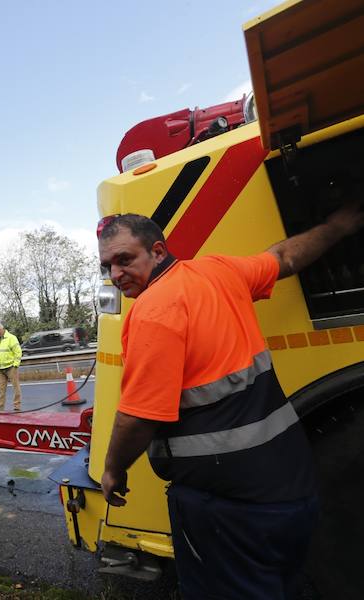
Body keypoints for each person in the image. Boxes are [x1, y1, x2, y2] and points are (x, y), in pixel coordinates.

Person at [98, 206, 364, 599]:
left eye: (125, 259)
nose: (116, 274)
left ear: (157, 251)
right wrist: (337, 226)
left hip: (228, 510)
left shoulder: (153, 311)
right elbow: (285, 257)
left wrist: (112, 470)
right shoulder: (218, 271)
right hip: (291, 488)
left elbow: (136, 418)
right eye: (107, 266)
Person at [0, 322, 23, 411]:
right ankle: (0, 408)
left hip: (11, 367)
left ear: (3, 329)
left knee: (16, 387)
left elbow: (18, 352)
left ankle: (17, 406)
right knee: (1, 389)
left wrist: (16, 364)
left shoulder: (11, 338)